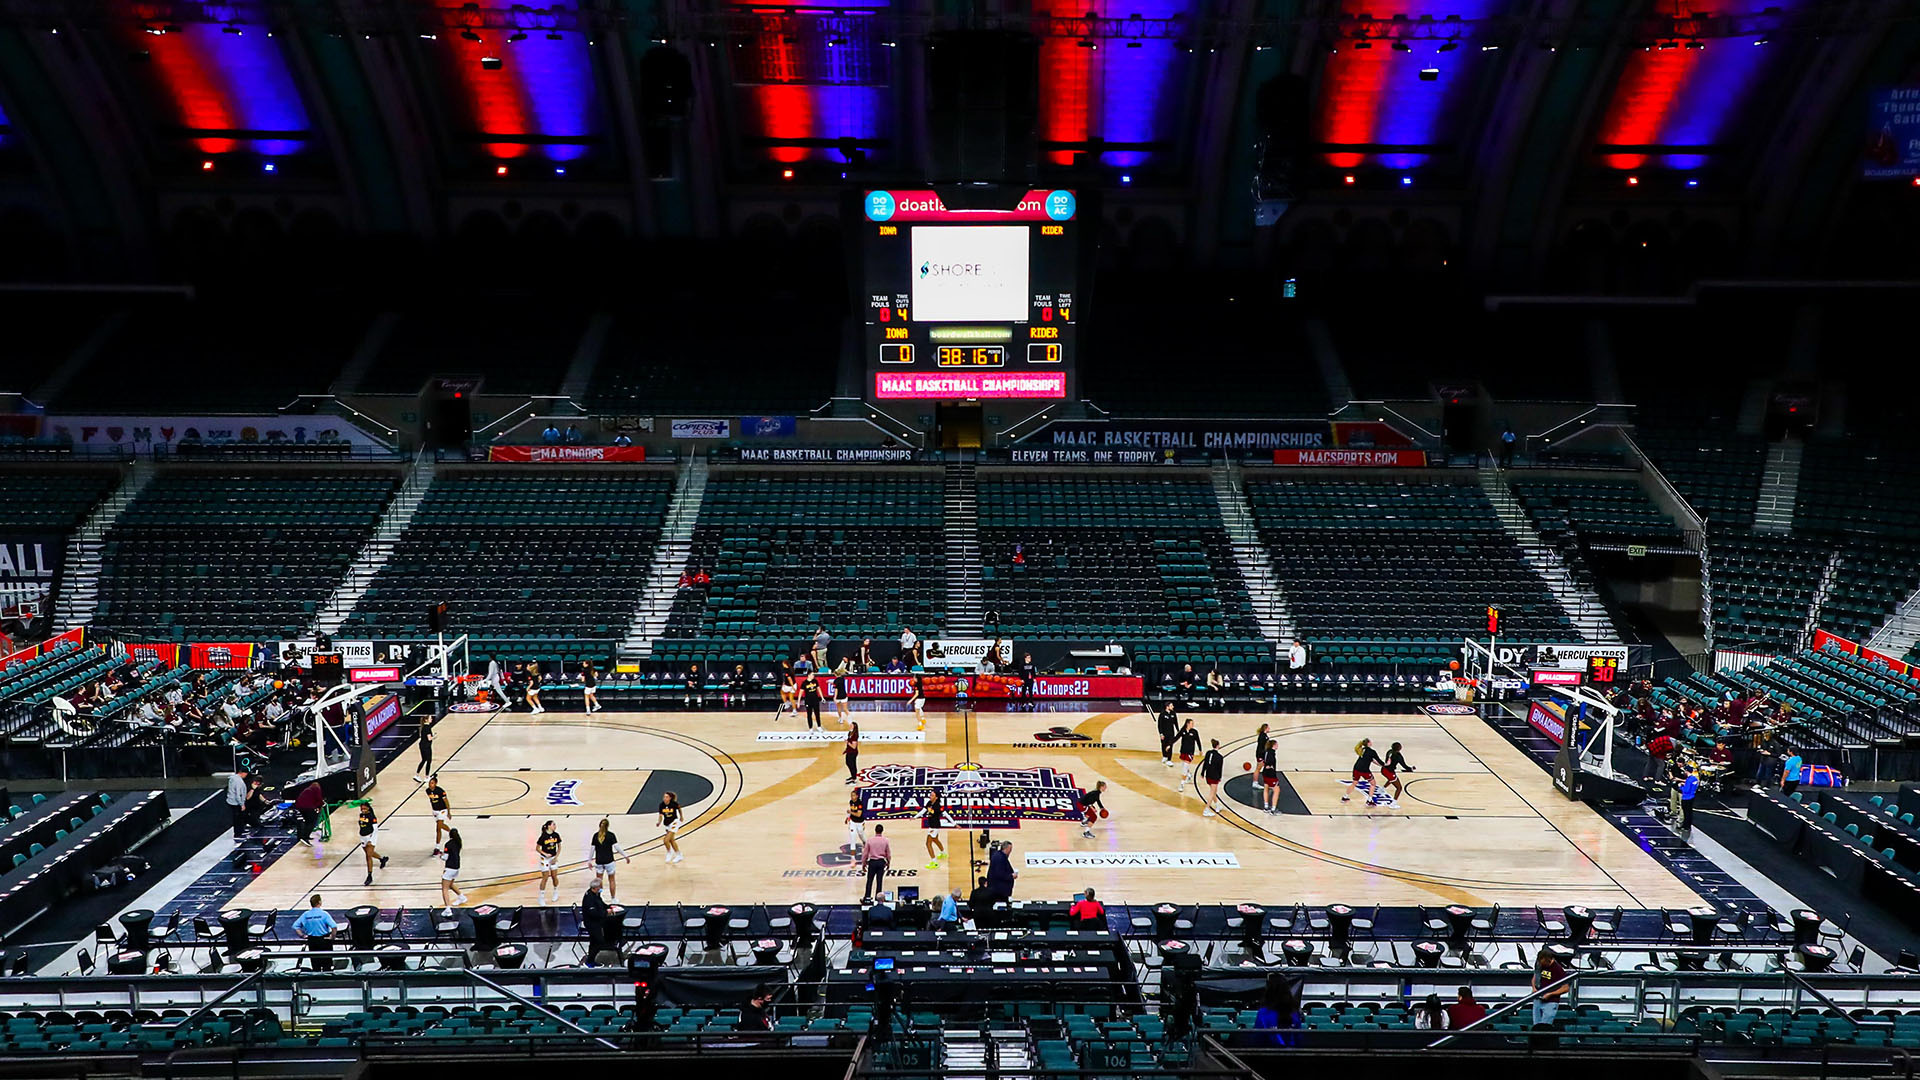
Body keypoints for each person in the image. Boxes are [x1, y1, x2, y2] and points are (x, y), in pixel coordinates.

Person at [292, 894, 340, 971]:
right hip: (324, 940)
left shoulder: (306, 914)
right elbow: (334, 927)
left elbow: (295, 926)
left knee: (315, 963)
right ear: (319, 902)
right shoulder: (324, 914)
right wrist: (332, 937)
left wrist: (302, 935)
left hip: (312, 941)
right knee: (327, 964)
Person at [1253, 974, 1303, 1046]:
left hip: (1270, 1053)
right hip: (1290, 1053)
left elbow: (1257, 1039)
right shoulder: (1294, 1011)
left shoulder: (1263, 1013)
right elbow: (1298, 1038)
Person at [590, 818, 629, 898]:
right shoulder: (611, 835)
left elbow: (592, 849)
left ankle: (598, 897)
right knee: (611, 880)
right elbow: (617, 847)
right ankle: (613, 898)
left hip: (599, 861)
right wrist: (625, 856)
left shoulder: (595, 836)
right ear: (607, 826)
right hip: (609, 861)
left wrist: (589, 861)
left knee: (599, 881)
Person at [1531, 949, 1569, 1027]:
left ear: (1548, 960)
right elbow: (1535, 976)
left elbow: (1565, 988)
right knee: (1536, 1026)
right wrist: (1534, 988)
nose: (1542, 965)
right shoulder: (1539, 965)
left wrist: (1550, 994)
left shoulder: (1558, 969)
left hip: (1551, 1002)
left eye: (1543, 963)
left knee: (1545, 1027)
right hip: (1537, 999)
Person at [356, 801, 390, 886]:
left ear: (368, 808)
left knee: (368, 856)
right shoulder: (361, 815)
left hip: (370, 837)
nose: (363, 810)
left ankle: (369, 876)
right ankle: (382, 859)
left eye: (364, 808)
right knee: (370, 854)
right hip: (362, 836)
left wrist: (371, 840)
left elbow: (375, 829)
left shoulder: (372, 816)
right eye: (361, 808)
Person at [1345, 739, 1384, 803]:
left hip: (1356, 768)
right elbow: (1378, 760)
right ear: (1368, 743)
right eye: (1370, 741)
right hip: (1364, 770)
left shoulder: (1363, 750)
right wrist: (1385, 765)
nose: (1371, 742)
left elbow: (1371, 760)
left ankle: (1345, 797)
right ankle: (1369, 800)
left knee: (1354, 783)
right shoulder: (1372, 752)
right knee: (1373, 784)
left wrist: (1381, 765)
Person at [439, 827, 468, 913]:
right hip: (456, 867)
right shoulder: (458, 842)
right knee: (450, 884)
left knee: (444, 888)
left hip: (450, 867)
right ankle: (462, 897)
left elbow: (445, 857)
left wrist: (441, 856)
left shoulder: (448, 844)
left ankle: (448, 909)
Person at [581, 877, 610, 964]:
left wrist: (608, 907)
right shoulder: (589, 898)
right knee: (599, 941)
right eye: (600, 887)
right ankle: (590, 961)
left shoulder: (596, 894)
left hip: (596, 922)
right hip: (591, 923)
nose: (601, 888)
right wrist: (605, 912)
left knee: (594, 941)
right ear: (596, 888)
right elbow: (593, 913)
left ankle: (591, 959)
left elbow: (601, 903)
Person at [860, 824, 891, 903]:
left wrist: (863, 864)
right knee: (879, 881)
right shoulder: (885, 840)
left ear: (875, 830)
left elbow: (865, 853)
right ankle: (878, 899)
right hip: (881, 862)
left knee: (869, 881)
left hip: (872, 862)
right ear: (882, 831)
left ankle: (867, 898)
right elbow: (888, 853)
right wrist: (888, 862)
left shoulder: (870, 840)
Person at [536, 820, 563, 905]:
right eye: (553, 824)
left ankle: (555, 892)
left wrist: (556, 857)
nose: (555, 826)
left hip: (553, 858)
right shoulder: (543, 836)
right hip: (545, 859)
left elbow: (559, 847)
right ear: (548, 826)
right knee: (545, 877)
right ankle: (541, 897)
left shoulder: (556, 835)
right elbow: (537, 848)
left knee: (554, 876)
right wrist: (545, 854)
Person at [292, 780, 325, 849]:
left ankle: (304, 836)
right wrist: (321, 805)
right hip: (307, 807)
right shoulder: (317, 788)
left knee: (307, 820)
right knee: (312, 822)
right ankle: (305, 837)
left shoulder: (309, 789)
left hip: (299, 806)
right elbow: (319, 799)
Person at [426, 775, 452, 854]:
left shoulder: (440, 791)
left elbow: (446, 801)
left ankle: (437, 848)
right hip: (435, 811)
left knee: (438, 827)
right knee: (440, 827)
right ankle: (451, 832)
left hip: (442, 810)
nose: (430, 785)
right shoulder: (427, 791)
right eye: (430, 783)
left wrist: (448, 812)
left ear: (436, 783)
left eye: (432, 783)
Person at [1200, 739, 1225, 817]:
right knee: (1212, 793)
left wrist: (1202, 773)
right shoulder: (1220, 757)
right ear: (1218, 746)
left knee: (1213, 791)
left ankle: (1217, 806)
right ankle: (1206, 809)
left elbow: (1205, 763)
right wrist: (1220, 777)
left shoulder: (1208, 753)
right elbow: (1219, 768)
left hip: (1208, 775)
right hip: (1214, 776)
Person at [1175, 718, 1202, 792]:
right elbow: (1176, 738)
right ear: (1187, 724)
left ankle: (1182, 784)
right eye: (1191, 723)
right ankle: (1189, 774)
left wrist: (1200, 749)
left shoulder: (1194, 732)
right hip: (1183, 751)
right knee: (1183, 765)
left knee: (1185, 767)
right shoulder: (1183, 731)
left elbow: (1198, 741)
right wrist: (1169, 745)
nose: (1193, 725)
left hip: (1190, 752)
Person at [921, 790, 946, 868]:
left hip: (934, 826)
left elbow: (946, 814)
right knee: (935, 840)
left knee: (928, 844)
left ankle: (934, 862)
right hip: (933, 825)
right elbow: (923, 811)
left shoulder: (938, 806)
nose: (930, 796)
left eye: (932, 795)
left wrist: (955, 824)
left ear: (936, 797)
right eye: (930, 795)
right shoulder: (929, 803)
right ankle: (943, 853)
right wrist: (915, 817)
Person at [659, 791, 684, 863]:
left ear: (670, 798)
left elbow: (679, 808)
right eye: (664, 797)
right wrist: (659, 822)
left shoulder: (674, 804)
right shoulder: (661, 805)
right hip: (667, 823)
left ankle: (669, 852)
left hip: (674, 822)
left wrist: (681, 817)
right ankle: (679, 855)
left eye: (666, 797)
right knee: (671, 840)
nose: (664, 798)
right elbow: (660, 815)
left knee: (666, 840)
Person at [226, 766, 250, 841]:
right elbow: (238, 794)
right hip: (236, 802)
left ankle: (241, 830)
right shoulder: (238, 781)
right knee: (237, 818)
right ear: (243, 773)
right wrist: (242, 804)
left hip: (232, 801)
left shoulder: (233, 778)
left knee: (240, 817)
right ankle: (237, 833)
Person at [1260, 740, 1281, 815]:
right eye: (1277, 744)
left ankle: (1266, 807)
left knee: (1266, 788)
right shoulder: (1271, 753)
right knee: (1277, 790)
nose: (1278, 745)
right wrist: (1270, 766)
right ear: (1274, 745)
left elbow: (1263, 760)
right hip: (1270, 775)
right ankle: (1273, 809)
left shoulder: (1266, 751)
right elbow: (1269, 762)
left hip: (1265, 773)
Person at [1678, 767, 1699, 842]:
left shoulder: (1689, 780)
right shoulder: (1695, 779)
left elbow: (1686, 790)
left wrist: (1681, 786)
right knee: (1690, 812)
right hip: (1692, 797)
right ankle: (1688, 825)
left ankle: (1685, 826)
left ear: (1687, 771)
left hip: (1686, 798)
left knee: (1686, 812)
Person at [1156, 703, 1180, 769]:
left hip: (1171, 733)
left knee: (1170, 745)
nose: (1173, 707)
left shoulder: (1173, 713)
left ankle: (1169, 759)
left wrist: (1178, 730)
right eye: (1171, 706)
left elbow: (1176, 722)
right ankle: (1165, 756)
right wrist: (1161, 733)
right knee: (1164, 745)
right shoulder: (1162, 714)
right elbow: (1159, 725)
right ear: (1167, 707)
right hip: (1164, 733)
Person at [414, 713, 436, 781]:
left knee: (423, 760)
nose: (431, 719)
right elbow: (429, 738)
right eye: (430, 718)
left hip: (422, 745)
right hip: (426, 746)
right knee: (429, 760)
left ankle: (417, 775)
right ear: (426, 720)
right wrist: (434, 736)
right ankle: (427, 777)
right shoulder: (427, 727)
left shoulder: (423, 727)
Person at [845, 789, 866, 853]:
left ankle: (865, 842)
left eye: (853, 795)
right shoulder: (851, 802)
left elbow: (859, 814)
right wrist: (847, 818)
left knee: (861, 834)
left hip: (860, 822)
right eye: (851, 795)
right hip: (853, 822)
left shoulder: (859, 804)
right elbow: (851, 811)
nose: (852, 797)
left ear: (857, 796)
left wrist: (850, 812)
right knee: (852, 835)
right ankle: (853, 851)